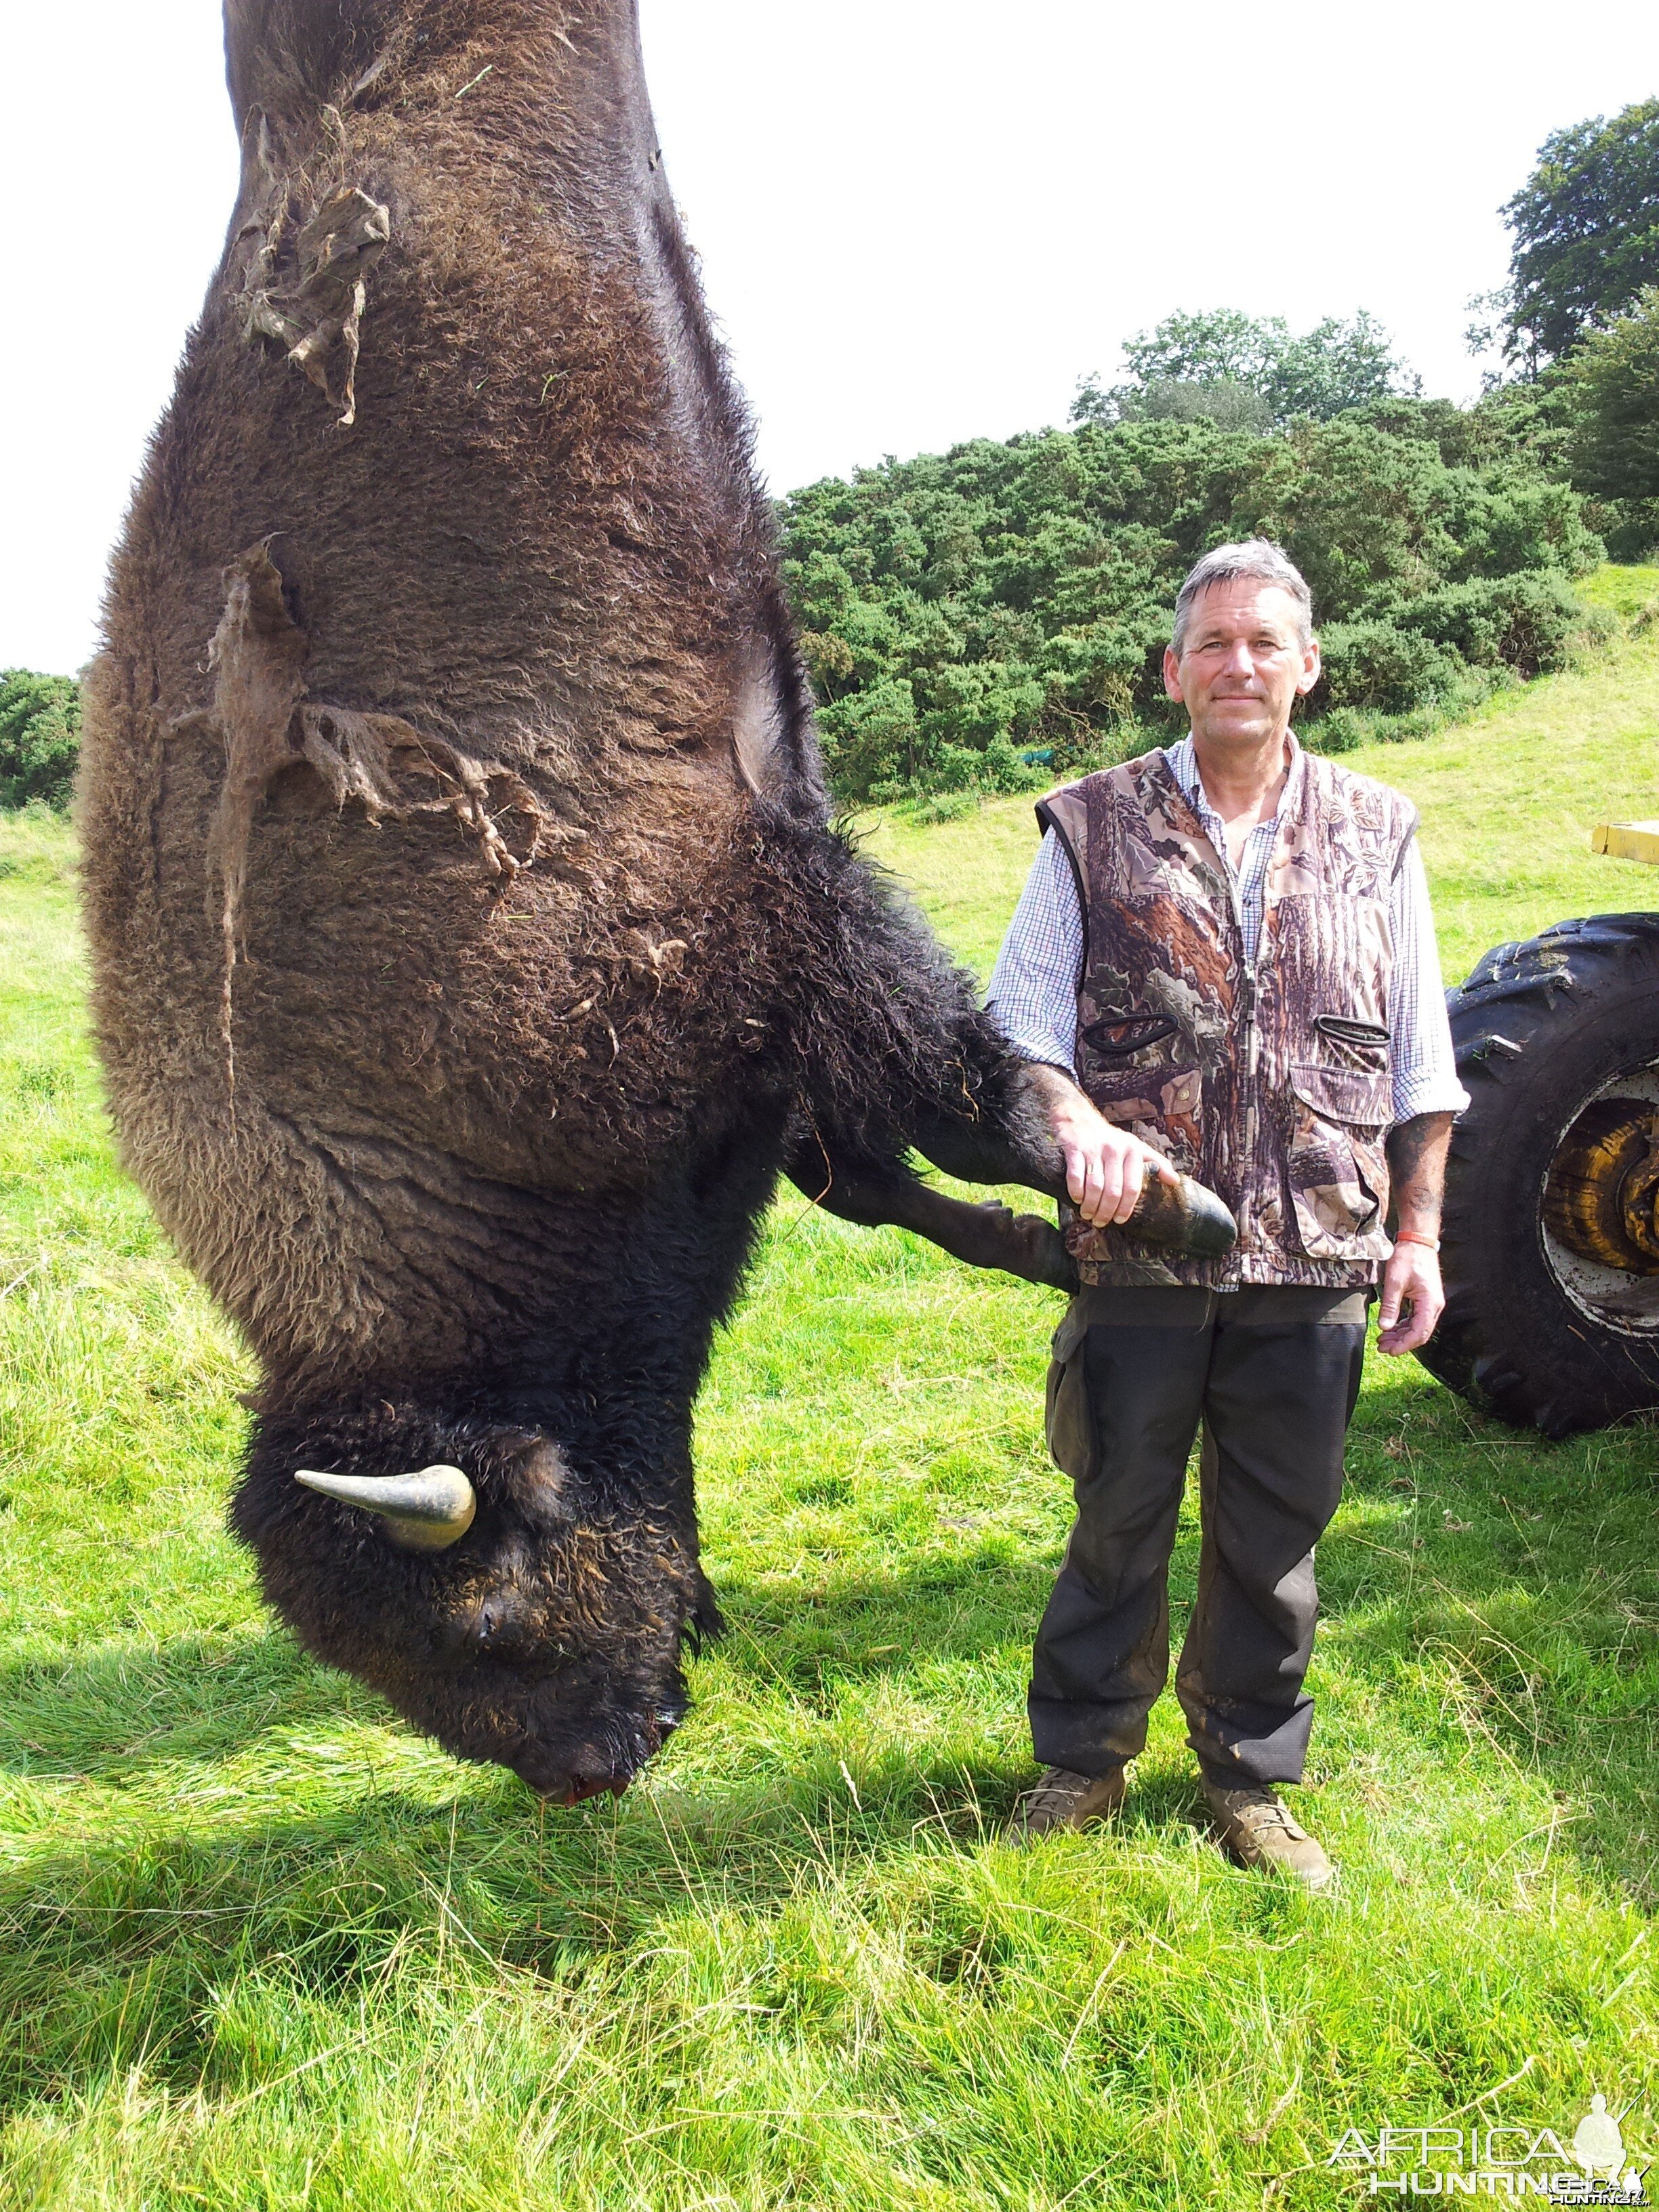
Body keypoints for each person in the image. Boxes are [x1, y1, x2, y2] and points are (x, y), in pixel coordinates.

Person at [986, 539, 1468, 1890]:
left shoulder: (1381, 830)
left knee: (1275, 1537)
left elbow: (1424, 1061)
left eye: (1266, 642)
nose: (1239, 664)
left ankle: (1250, 1782)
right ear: (1174, 670)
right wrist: (1073, 1124)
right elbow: (1019, 1023)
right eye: (1213, 643)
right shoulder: (1091, 823)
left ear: (1307, 666)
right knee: (1118, 1513)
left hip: (1319, 1244)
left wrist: (1417, 1236)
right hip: (1143, 1241)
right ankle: (1081, 1761)